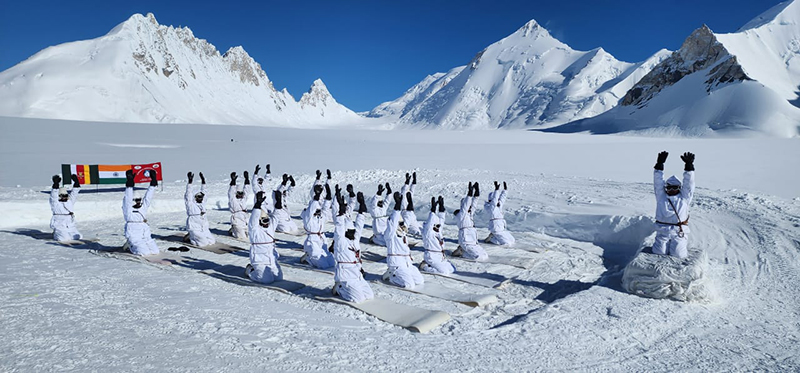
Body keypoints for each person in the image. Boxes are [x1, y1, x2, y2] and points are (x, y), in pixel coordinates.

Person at [331, 191, 374, 303]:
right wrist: (340, 213)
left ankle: (350, 288)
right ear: (345, 232)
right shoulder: (341, 242)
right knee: (358, 299)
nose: (353, 233)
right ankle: (340, 288)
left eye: (353, 231)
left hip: (357, 274)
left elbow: (359, 226)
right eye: (350, 231)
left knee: (369, 296)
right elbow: (339, 228)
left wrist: (362, 211)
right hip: (346, 275)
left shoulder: (355, 239)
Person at [652, 151, 696, 259]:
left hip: (678, 232)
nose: (671, 190)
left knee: (678, 255)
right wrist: (659, 165)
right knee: (659, 252)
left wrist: (689, 167)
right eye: (669, 188)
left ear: (679, 188)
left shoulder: (684, 198)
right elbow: (658, 183)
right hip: (663, 231)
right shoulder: (661, 197)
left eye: (675, 188)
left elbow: (689, 184)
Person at [382, 192, 425, 289]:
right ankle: (392, 276)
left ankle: (400, 275)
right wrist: (397, 206)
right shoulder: (390, 234)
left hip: (407, 263)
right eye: (400, 223)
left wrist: (409, 201)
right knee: (409, 285)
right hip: (397, 264)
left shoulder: (403, 233)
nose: (403, 225)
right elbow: (392, 222)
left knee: (419, 281)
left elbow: (409, 215)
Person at [245, 191, 283, 284]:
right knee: (267, 280)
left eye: (267, 220)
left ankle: (265, 271)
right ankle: (250, 270)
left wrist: (278, 202)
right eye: (264, 221)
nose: (266, 223)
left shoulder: (270, 226)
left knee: (279, 278)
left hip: (270, 258)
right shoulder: (255, 230)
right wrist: (257, 205)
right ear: (259, 221)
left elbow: (277, 216)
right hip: (259, 259)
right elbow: (253, 220)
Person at [122, 169, 160, 256]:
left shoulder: (143, 207)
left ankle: (142, 245)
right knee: (144, 253)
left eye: (139, 200)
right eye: (136, 200)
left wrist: (153, 183)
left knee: (155, 252)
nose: (138, 202)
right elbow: (128, 197)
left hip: (144, 231)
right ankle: (129, 245)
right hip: (133, 231)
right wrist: (130, 184)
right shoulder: (128, 208)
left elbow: (148, 197)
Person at [299, 183, 335, 268]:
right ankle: (308, 258)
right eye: (317, 211)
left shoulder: (320, 216)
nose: (319, 212)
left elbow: (325, 209)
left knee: (332, 263)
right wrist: (317, 195)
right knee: (323, 265)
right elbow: (312, 208)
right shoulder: (309, 218)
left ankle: (315, 256)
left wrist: (328, 197)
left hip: (322, 238)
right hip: (312, 241)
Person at [452, 182, 489, 261]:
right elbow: (466, 205)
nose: (470, 208)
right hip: (466, 240)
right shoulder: (462, 214)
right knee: (478, 257)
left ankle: (462, 250)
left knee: (485, 256)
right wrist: (469, 193)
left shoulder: (469, 214)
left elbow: (474, 204)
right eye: (469, 206)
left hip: (473, 240)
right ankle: (462, 252)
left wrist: (477, 192)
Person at [420, 196, 455, 274]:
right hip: (432, 256)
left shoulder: (438, 232)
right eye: (437, 226)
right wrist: (433, 210)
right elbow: (430, 222)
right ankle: (424, 266)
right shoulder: (428, 233)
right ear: (433, 226)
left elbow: (441, 220)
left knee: (452, 269)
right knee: (444, 272)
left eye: (439, 226)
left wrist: (441, 208)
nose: (439, 227)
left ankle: (433, 265)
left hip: (440, 256)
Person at [184, 171, 215, 247]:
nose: (201, 198)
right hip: (195, 227)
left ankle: (196, 237)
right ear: (195, 197)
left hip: (203, 227)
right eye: (199, 196)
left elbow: (205, 192)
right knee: (203, 244)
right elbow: (188, 193)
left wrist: (203, 181)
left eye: (201, 196)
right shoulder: (190, 204)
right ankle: (191, 237)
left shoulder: (202, 203)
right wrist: (190, 182)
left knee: (212, 241)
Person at [49, 174, 82, 242]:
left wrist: (76, 182)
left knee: (78, 237)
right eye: (62, 195)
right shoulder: (55, 203)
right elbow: (53, 195)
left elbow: (74, 193)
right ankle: (56, 233)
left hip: (69, 224)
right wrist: (56, 184)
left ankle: (66, 233)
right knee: (64, 239)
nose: (64, 197)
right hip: (59, 224)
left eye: (65, 195)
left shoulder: (69, 201)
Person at [484, 181, 515, 246]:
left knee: (512, 240)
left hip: (501, 227)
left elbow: (502, 199)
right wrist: (496, 190)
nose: (498, 201)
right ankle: (492, 238)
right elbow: (495, 200)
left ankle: (494, 237)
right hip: (496, 228)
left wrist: (505, 190)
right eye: (496, 200)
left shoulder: (498, 206)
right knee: (506, 243)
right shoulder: (491, 207)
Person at [228, 171, 251, 240]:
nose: (241, 195)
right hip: (237, 219)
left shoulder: (243, 199)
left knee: (250, 235)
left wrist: (247, 179)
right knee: (242, 237)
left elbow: (247, 190)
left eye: (242, 193)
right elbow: (231, 192)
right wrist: (233, 181)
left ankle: (237, 230)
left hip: (245, 218)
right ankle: (233, 231)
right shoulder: (233, 200)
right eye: (239, 193)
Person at [400, 172, 422, 236]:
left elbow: (409, 189)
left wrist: (411, 181)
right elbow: (407, 189)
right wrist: (409, 181)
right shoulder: (406, 195)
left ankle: (420, 233)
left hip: (409, 213)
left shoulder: (406, 194)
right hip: (409, 213)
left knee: (413, 227)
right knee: (410, 226)